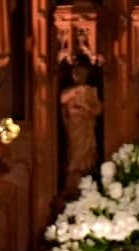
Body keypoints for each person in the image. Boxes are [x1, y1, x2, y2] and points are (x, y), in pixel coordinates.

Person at [60, 61, 103, 192]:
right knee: (75, 153)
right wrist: (77, 91)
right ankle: (74, 175)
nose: (78, 76)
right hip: (75, 126)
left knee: (88, 152)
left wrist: (87, 109)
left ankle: (86, 173)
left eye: (82, 74)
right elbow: (62, 99)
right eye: (76, 73)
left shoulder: (90, 91)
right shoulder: (70, 90)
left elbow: (98, 109)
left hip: (87, 126)